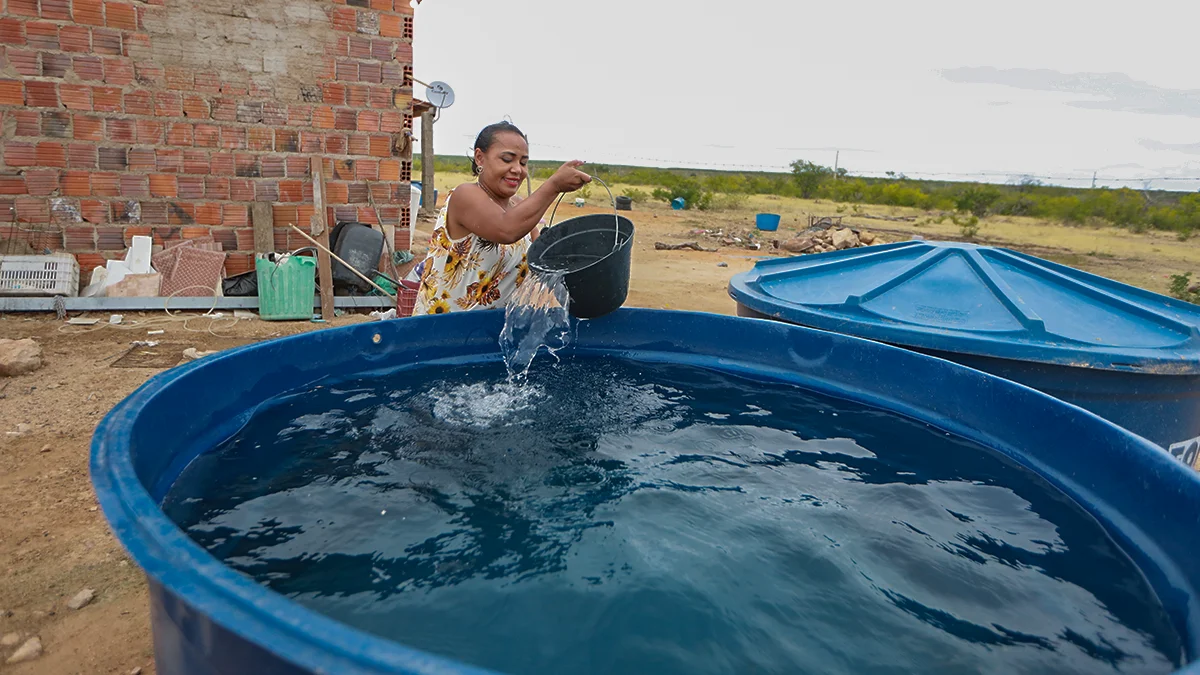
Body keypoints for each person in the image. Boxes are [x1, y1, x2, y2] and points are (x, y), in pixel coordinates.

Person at [412, 121, 591, 315]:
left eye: (523, 163)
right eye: (507, 159)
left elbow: (543, 258)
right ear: (480, 158)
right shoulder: (464, 196)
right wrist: (554, 185)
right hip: (441, 329)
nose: (517, 169)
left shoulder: (518, 208)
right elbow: (506, 230)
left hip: (489, 333)